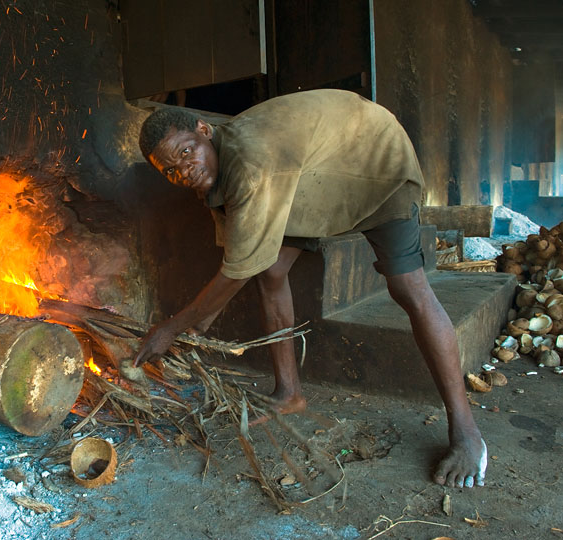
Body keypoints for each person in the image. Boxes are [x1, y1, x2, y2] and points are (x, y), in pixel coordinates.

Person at [132, 89, 487, 489]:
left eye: (184, 153)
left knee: (408, 288)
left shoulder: (251, 160)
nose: (182, 171)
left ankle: (466, 432)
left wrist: (172, 328)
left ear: (203, 130)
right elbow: (242, 260)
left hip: (376, 162)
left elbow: (235, 272)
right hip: (314, 182)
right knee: (271, 272)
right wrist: (196, 330)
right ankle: (290, 393)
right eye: (169, 171)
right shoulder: (217, 178)